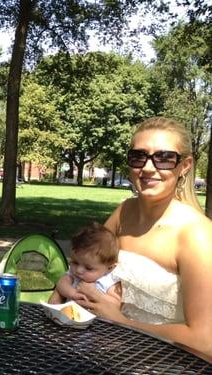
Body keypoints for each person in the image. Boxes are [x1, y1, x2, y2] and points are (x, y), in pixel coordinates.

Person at [76, 117, 212, 360]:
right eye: (139, 156)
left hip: (170, 372)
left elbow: (205, 340)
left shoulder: (196, 235)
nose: (148, 167)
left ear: (185, 166)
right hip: (105, 354)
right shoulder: (123, 212)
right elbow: (85, 266)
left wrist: (123, 322)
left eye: (164, 158)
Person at [48, 222, 120, 305]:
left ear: (109, 268)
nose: (79, 270)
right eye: (75, 262)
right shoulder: (73, 275)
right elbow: (61, 283)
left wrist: (95, 294)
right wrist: (72, 293)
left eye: (88, 268)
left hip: (96, 317)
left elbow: (116, 304)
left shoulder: (108, 281)